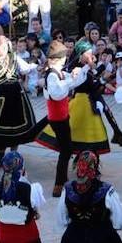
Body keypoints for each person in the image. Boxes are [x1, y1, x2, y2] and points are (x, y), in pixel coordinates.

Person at [0, 36, 42, 160]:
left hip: (16, 95)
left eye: (5, 46)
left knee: (17, 126)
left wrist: (36, 67)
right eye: (0, 47)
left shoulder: (14, 57)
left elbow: (25, 69)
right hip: (0, 97)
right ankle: (1, 153)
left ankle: (13, 154)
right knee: (2, 129)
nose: (3, 49)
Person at [36, 41, 90, 197]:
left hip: (62, 117)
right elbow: (56, 93)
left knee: (66, 149)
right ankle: (59, 185)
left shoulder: (58, 72)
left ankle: (62, 181)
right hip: (57, 119)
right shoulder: (52, 75)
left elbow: (75, 81)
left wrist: (84, 68)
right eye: (64, 57)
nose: (66, 59)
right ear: (57, 59)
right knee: (66, 151)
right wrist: (70, 79)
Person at [56, 150, 122, 242]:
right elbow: (121, 222)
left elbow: (61, 221)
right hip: (103, 237)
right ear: (95, 167)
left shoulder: (67, 189)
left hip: (74, 237)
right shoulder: (107, 190)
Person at [0, 151, 46, 243]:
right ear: (22, 168)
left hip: (3, 239)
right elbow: (36, 210)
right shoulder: (33, 189)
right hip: (29, 238)